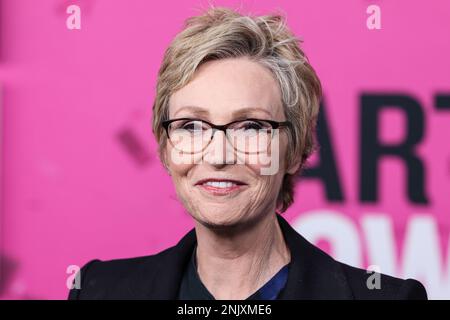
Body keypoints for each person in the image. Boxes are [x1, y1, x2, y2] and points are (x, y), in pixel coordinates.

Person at [68, 7, 427, 300]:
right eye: (192, 126)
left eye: (251, 127)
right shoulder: (99, 291)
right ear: (165, 148)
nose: (219, 155)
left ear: (294, 150)